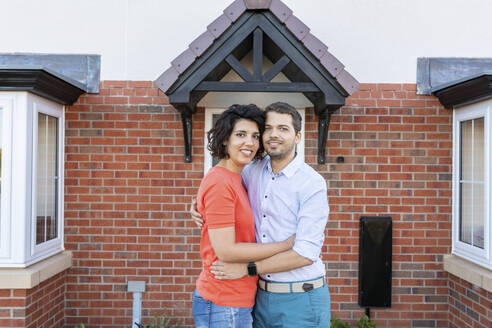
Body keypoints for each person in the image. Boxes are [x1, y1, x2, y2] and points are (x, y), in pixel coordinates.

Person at [191, 102, 331, 328]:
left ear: (298, 137)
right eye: (268, 128)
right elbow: (219, 188)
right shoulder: (251, 169)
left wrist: (248, 268)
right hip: (259, 297)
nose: (274, 134)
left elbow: (305, 253)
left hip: (300, 297)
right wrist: (197, 206)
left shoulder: (311, 183)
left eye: (283, 128)